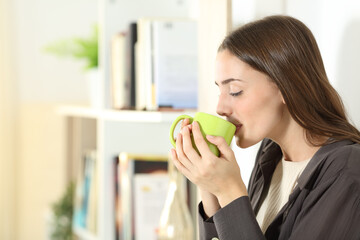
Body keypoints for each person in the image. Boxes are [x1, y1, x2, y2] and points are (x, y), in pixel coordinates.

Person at [170, 15, 360, 240]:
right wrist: (209, 187)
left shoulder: (346, 170)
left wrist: (229, 190)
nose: (220, 107)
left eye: (235, 91)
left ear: (286, 86)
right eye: (219, 91)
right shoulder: (269, 155)